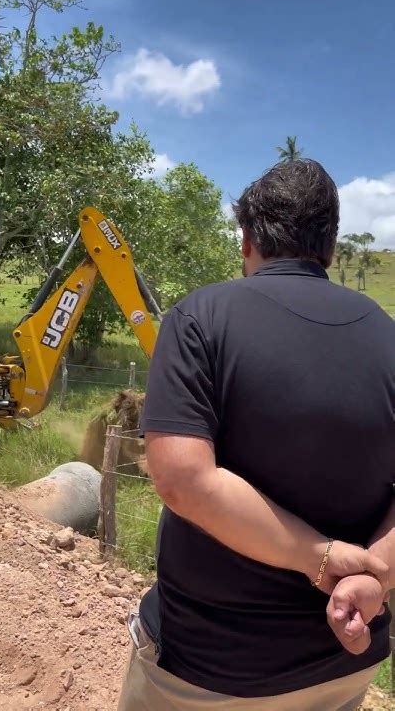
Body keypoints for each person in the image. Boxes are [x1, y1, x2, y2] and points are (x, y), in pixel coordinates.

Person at [118, 159, 394, 711]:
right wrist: (376, 576)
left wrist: (318, 557)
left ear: (246, 241)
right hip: (343, 664)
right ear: (331, 248)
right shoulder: (389, 337)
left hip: (206, 671)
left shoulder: (200, 317)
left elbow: (182, 479)